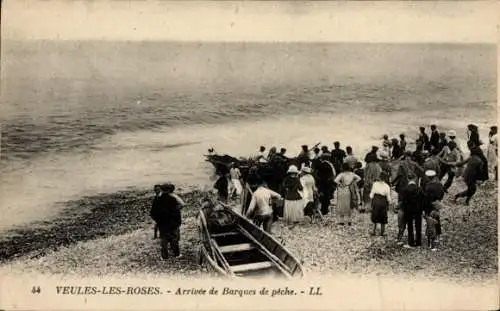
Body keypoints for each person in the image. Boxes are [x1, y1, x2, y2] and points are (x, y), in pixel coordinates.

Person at [150, 183, 183, 259]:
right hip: (173, 223)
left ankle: (164, 256)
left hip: (162, 223)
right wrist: (177, 221)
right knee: (174, 239)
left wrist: (158, 221)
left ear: (162, 190)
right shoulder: (172, 199)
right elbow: (177, 211)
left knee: (164, 240)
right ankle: (176, 254)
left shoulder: (157, 199)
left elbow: (153, 213)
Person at [397, 175, 423, 247]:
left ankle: (411, 242)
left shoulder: (405, 189)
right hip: (418, 209)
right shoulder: (419, 189)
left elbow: (404, 201)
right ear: (415, 179)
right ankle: (418, 242)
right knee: (418, 226)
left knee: (410, 226)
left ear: (408, 179)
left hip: (408, 210)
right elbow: (422, 200)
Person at [370, 171, 392, 236]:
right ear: (385, 178)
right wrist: (390, 202)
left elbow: (371, 194)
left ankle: (373, 231)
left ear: (379, 177)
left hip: (376, 200)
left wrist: (372, 199)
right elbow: (388, 196)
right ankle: (382, 232)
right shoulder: (387, 186)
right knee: (383, 216)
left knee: (375, 215)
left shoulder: (375, 184)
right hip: (383, 201)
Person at [362, 146, 382, 212]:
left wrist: (366, 181)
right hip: (375, 180)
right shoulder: (377, 166)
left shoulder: (368, 164)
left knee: (367, 193)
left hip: (369, 180)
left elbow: (366, 175)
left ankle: (368, 206)